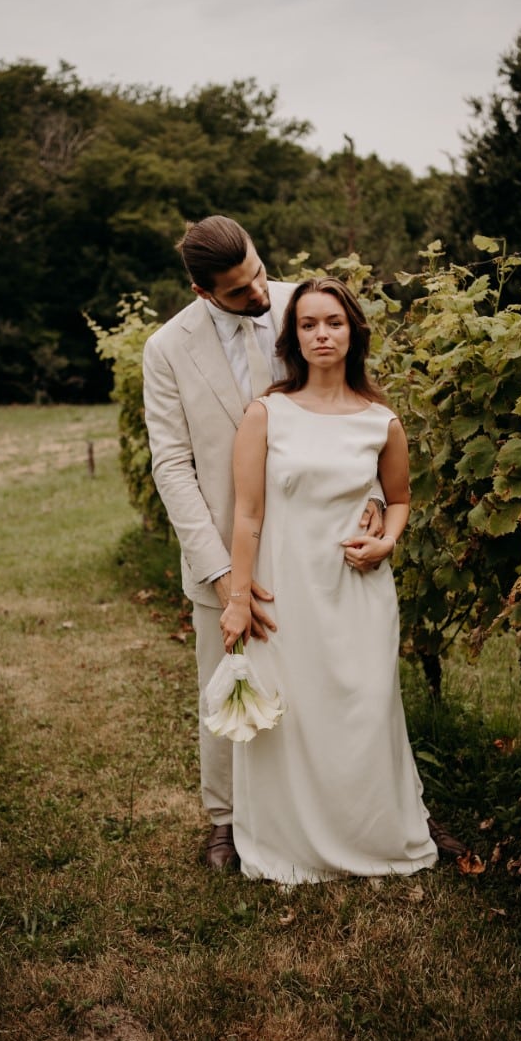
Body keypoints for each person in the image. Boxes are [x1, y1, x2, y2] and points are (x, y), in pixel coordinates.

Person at [142, 217, 383, 870]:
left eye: (256, 271)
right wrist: (225, 577)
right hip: (227, 545)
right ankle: (225, 819)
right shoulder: (166, 350)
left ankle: (345, 807)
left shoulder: (305, 310)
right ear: (200, 291)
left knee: (331, 678)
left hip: (320, 540)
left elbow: (358, 409)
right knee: (228, 682)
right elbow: (172, 466)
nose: (258, 293)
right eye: (239, 290)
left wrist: (375, 505)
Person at [219, 276, 440, 883]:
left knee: (361, 712)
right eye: (309, 324)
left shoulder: (381, 421)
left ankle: (370, 835)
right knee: (295, 716)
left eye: (334, 323)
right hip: (285, 593)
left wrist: (387, 541)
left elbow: (399, 498)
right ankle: (291, 845)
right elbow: (248, 513)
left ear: (353, 332)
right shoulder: (267, 413)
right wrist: (238, 598)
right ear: (292, 337)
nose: (322, 334)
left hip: (357, 593)